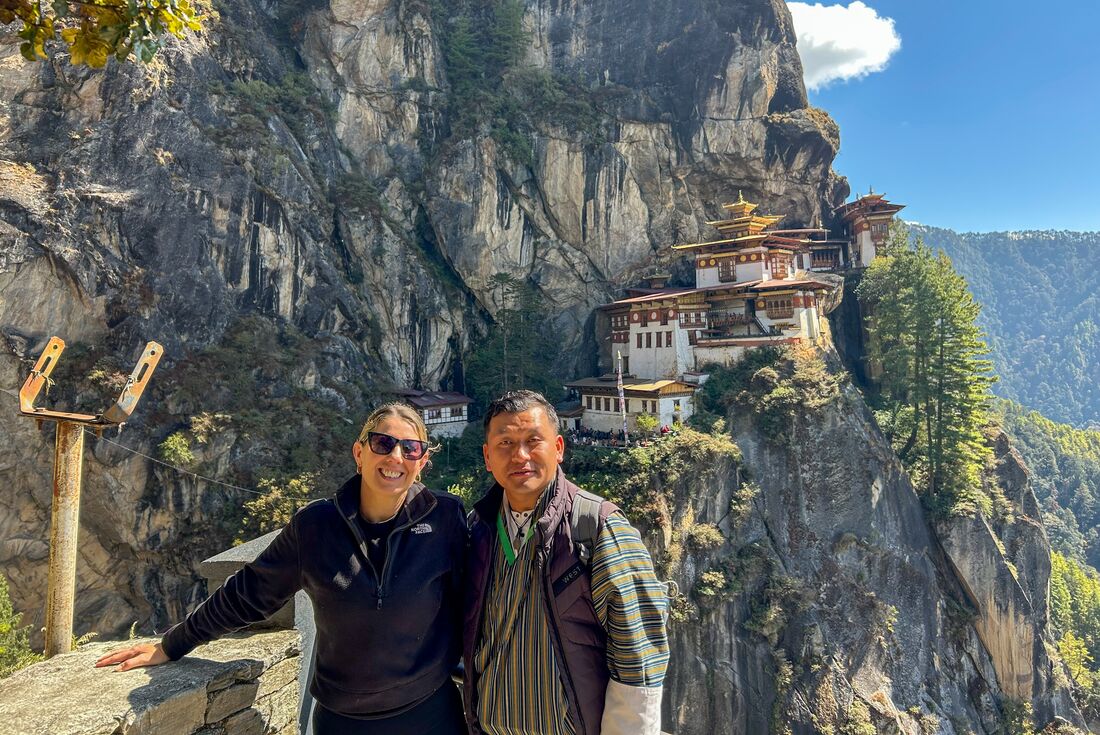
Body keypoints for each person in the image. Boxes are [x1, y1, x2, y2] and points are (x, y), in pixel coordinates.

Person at [95, 403, 468, 735]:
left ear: (421, 463)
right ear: (359, 452)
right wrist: (172, 644)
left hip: (431, 713)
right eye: (383, 444)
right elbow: (249, 594)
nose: (396, 457)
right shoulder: (316, 527)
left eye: (410, 448)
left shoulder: (445, 518)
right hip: (343, 721)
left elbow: (475, 599)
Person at [463, 390, 669, 735]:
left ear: (558, 448)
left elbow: (639, 653)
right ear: (487, 456)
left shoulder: (596, 526)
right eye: (505, 443)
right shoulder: (478, 529)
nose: (520, 455)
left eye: (533, 440)